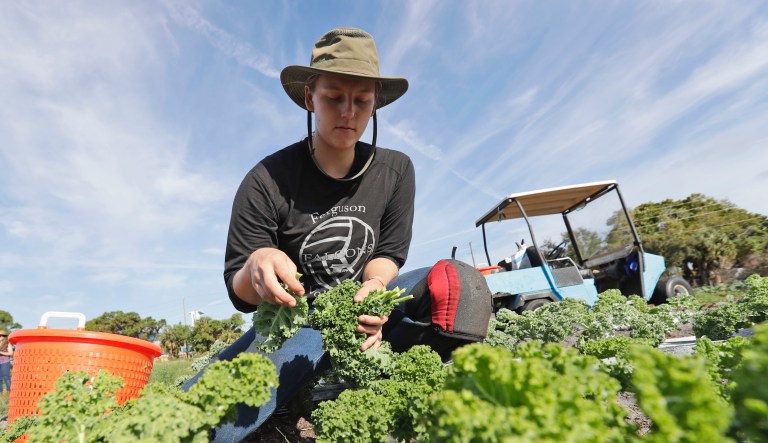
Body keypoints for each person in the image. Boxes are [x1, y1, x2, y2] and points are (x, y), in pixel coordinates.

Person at [183, 27, 426, 442]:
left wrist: (375, 285)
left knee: (453, 280)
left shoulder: (396, 169)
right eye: (334, 97)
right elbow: (238, 292)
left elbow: (388, 251)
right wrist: (258, 264)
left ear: (375, 106)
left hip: (367, 300)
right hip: (300, 320)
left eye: (362, 100)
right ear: (310, 96)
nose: (349, 111)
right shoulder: (266, 179)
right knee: (228, 413)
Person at [0, 329, 13, 394]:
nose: (0, 337)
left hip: (5, 362)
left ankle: (9, 392)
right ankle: (0, 393)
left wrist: (1, 352)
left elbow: (10, 353)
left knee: (6, 377)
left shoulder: (7, 344)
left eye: (1, 336)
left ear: (4, 336)